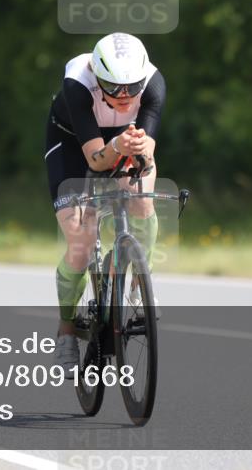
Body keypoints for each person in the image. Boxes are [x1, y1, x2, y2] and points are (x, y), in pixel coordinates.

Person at [44, 33, 165, 375]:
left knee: (142, 201)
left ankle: (142, 280)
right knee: (81, 245)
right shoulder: (77, 85)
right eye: (113, 88)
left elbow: (148, 152)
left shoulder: (154, 84)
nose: (125, 97)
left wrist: (139, 151)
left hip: (124, 140)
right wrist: (118, 147)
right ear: (97, 77)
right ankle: (66, 330)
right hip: (73, 147)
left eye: (132, 87)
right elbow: (96, 160)